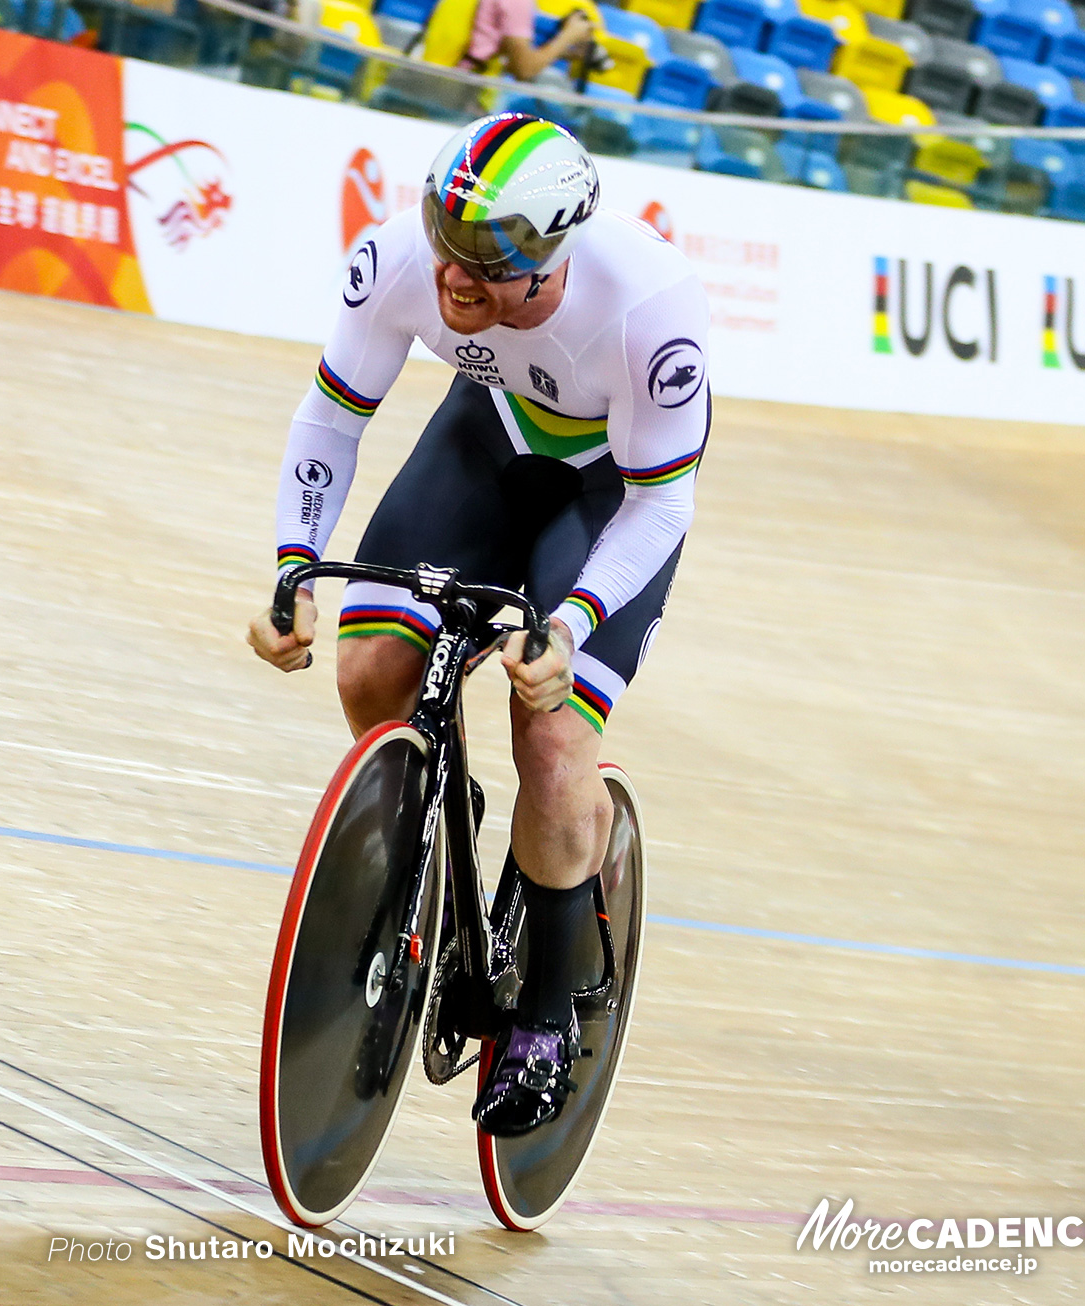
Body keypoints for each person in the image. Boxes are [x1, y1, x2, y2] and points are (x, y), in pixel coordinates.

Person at [246, 112, 709, 1136]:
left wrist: (575, 621)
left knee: (550, 733)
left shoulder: (647, 306)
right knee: (373, 675)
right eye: (447, 231)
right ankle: (430, 836)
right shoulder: (406, 255)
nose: (458, 270)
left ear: (553, 253)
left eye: (491, 253)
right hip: (487, 442)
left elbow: (662, 501)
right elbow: (332, 416)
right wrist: (293, 569)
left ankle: (547, 1009)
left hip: (607, 498)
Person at [461, 0, 596, 82]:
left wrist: (562, 53)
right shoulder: (518, 2)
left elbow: (511, 61)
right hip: (465, 83)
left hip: (456, 74)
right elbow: (524, 70)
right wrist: (568, 36)